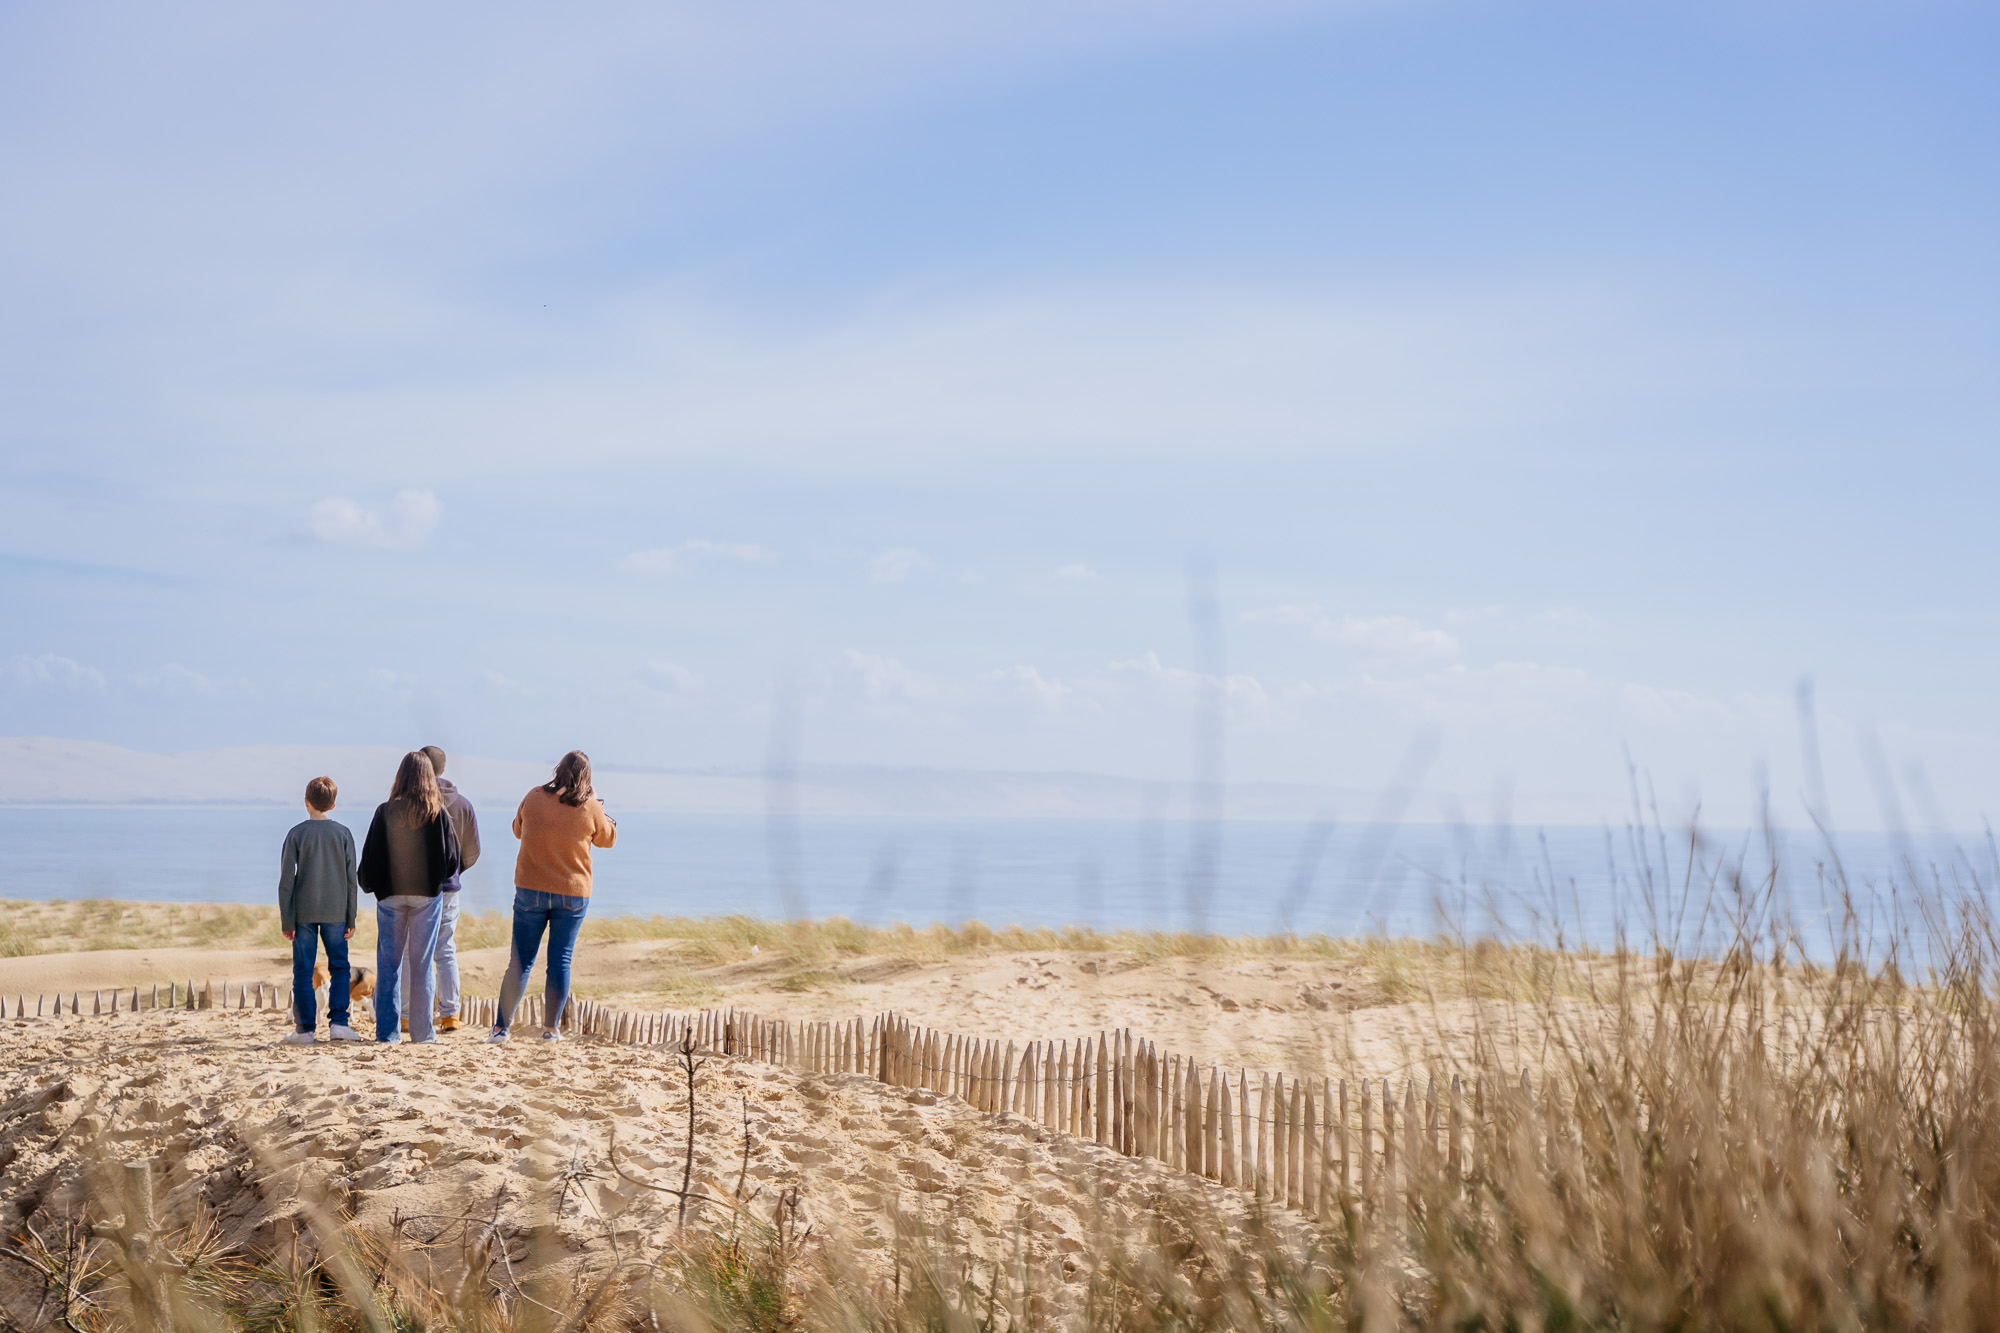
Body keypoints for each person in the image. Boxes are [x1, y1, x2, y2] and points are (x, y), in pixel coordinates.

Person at [489, 750, 616, 1044]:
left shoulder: (534, 796)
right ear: (587, 778)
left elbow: (517, 829)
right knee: (560, 962)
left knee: (520, 963)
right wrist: (597, 803)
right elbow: (608, 839)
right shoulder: (589, 806)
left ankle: (499, 1029)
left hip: (530, 889)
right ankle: (550, 1030)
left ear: (558, 771)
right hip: (572, 894)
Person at [359, 751, 461, 1043]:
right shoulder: (438, 813)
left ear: (400, 776)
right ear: (429, 778)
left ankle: (387, 1034)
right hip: (426, 899)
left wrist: (373, 886)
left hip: (389, 897)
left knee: (389, 964)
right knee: (422, 965)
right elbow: (451, 860)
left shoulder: (385, 811)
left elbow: (370, 858)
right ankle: (423, 1034)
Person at [277, 776, 367, 1045]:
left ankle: (304, 1030)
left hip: (302, 914)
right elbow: (352, 879)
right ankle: (339, 1024)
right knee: (340, 968)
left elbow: (286, 881)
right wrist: (351, 916)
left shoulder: (296, 834)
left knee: (303, 971)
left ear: (306, 803)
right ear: (334, 805)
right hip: (337, 913)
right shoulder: (343, 833)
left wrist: (286, 919)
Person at [399, 744, 480, 1033]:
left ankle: (407, 1015)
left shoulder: (408, 802)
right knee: (445, 949)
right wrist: (455, 871)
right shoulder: (463, 804)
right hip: (449, 887)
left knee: (411, 949)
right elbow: (472, 851)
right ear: (443, 769)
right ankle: (450, 1015)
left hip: (416, 887)